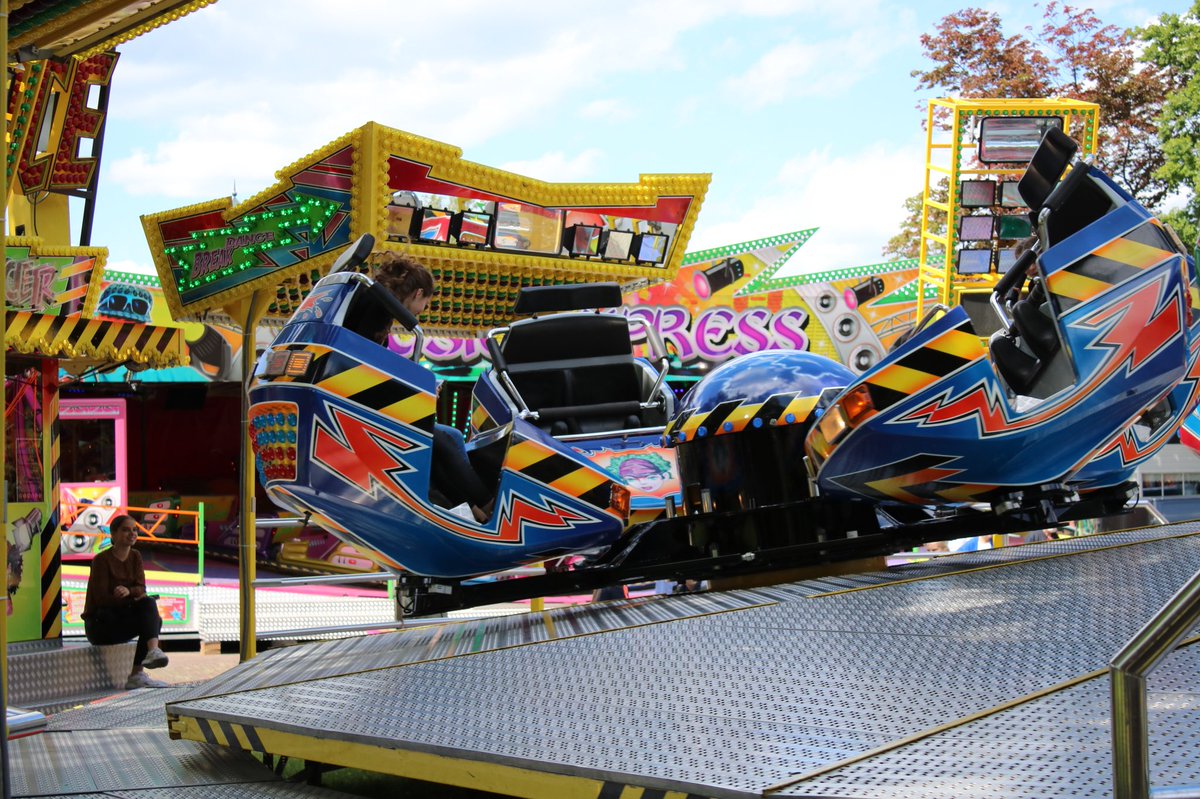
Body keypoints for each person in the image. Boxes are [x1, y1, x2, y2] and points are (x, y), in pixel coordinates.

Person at [371, 252, 492, 522]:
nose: (421, 312)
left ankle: (471, 511)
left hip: (369, 402)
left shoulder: (378, 312)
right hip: (367, 407)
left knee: (440, 441)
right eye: (424, 304)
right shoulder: (376, 315)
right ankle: (489, 505)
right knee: (448, 437)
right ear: (418, 293)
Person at [82, 514, 170, 689]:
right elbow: (101, 599)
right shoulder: (101, 560)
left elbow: (141, 588)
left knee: (151, 610)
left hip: (121, 617)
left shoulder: (136, 556)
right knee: (148, 609)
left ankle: (140, 668)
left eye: (134, 530)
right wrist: (127, 596)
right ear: (113, 534)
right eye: (125, 530)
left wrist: (128, 591)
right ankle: (146, 660)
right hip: (101, 624)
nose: (132, 533)